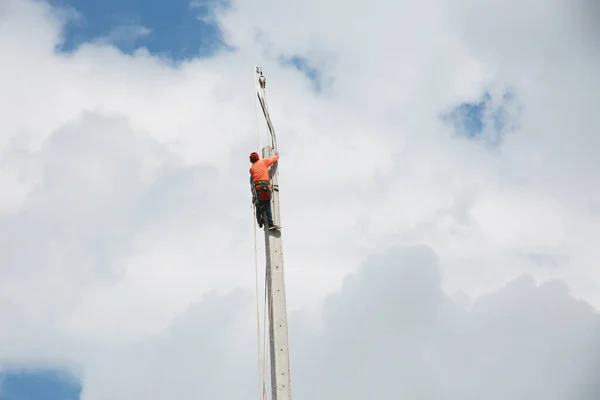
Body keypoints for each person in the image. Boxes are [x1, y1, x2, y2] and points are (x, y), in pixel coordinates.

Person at [249, 151, 281, 230]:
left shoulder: (251, 169)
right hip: (265, 188)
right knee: (267, 206)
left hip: (257, 190)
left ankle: (259, 217)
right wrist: (277, 155)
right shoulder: (264, 162)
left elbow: (252, 178)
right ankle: (270, 224)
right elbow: (273, 160)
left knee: (258, 204)